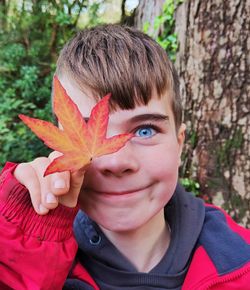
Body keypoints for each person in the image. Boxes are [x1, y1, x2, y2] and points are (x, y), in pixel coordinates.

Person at [0, 24, 249, 290]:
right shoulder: (30, 257)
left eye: (145, 130)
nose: (116, 162)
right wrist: (25, 239)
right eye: (84, 130)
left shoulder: (239, 261)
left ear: (179, 145)